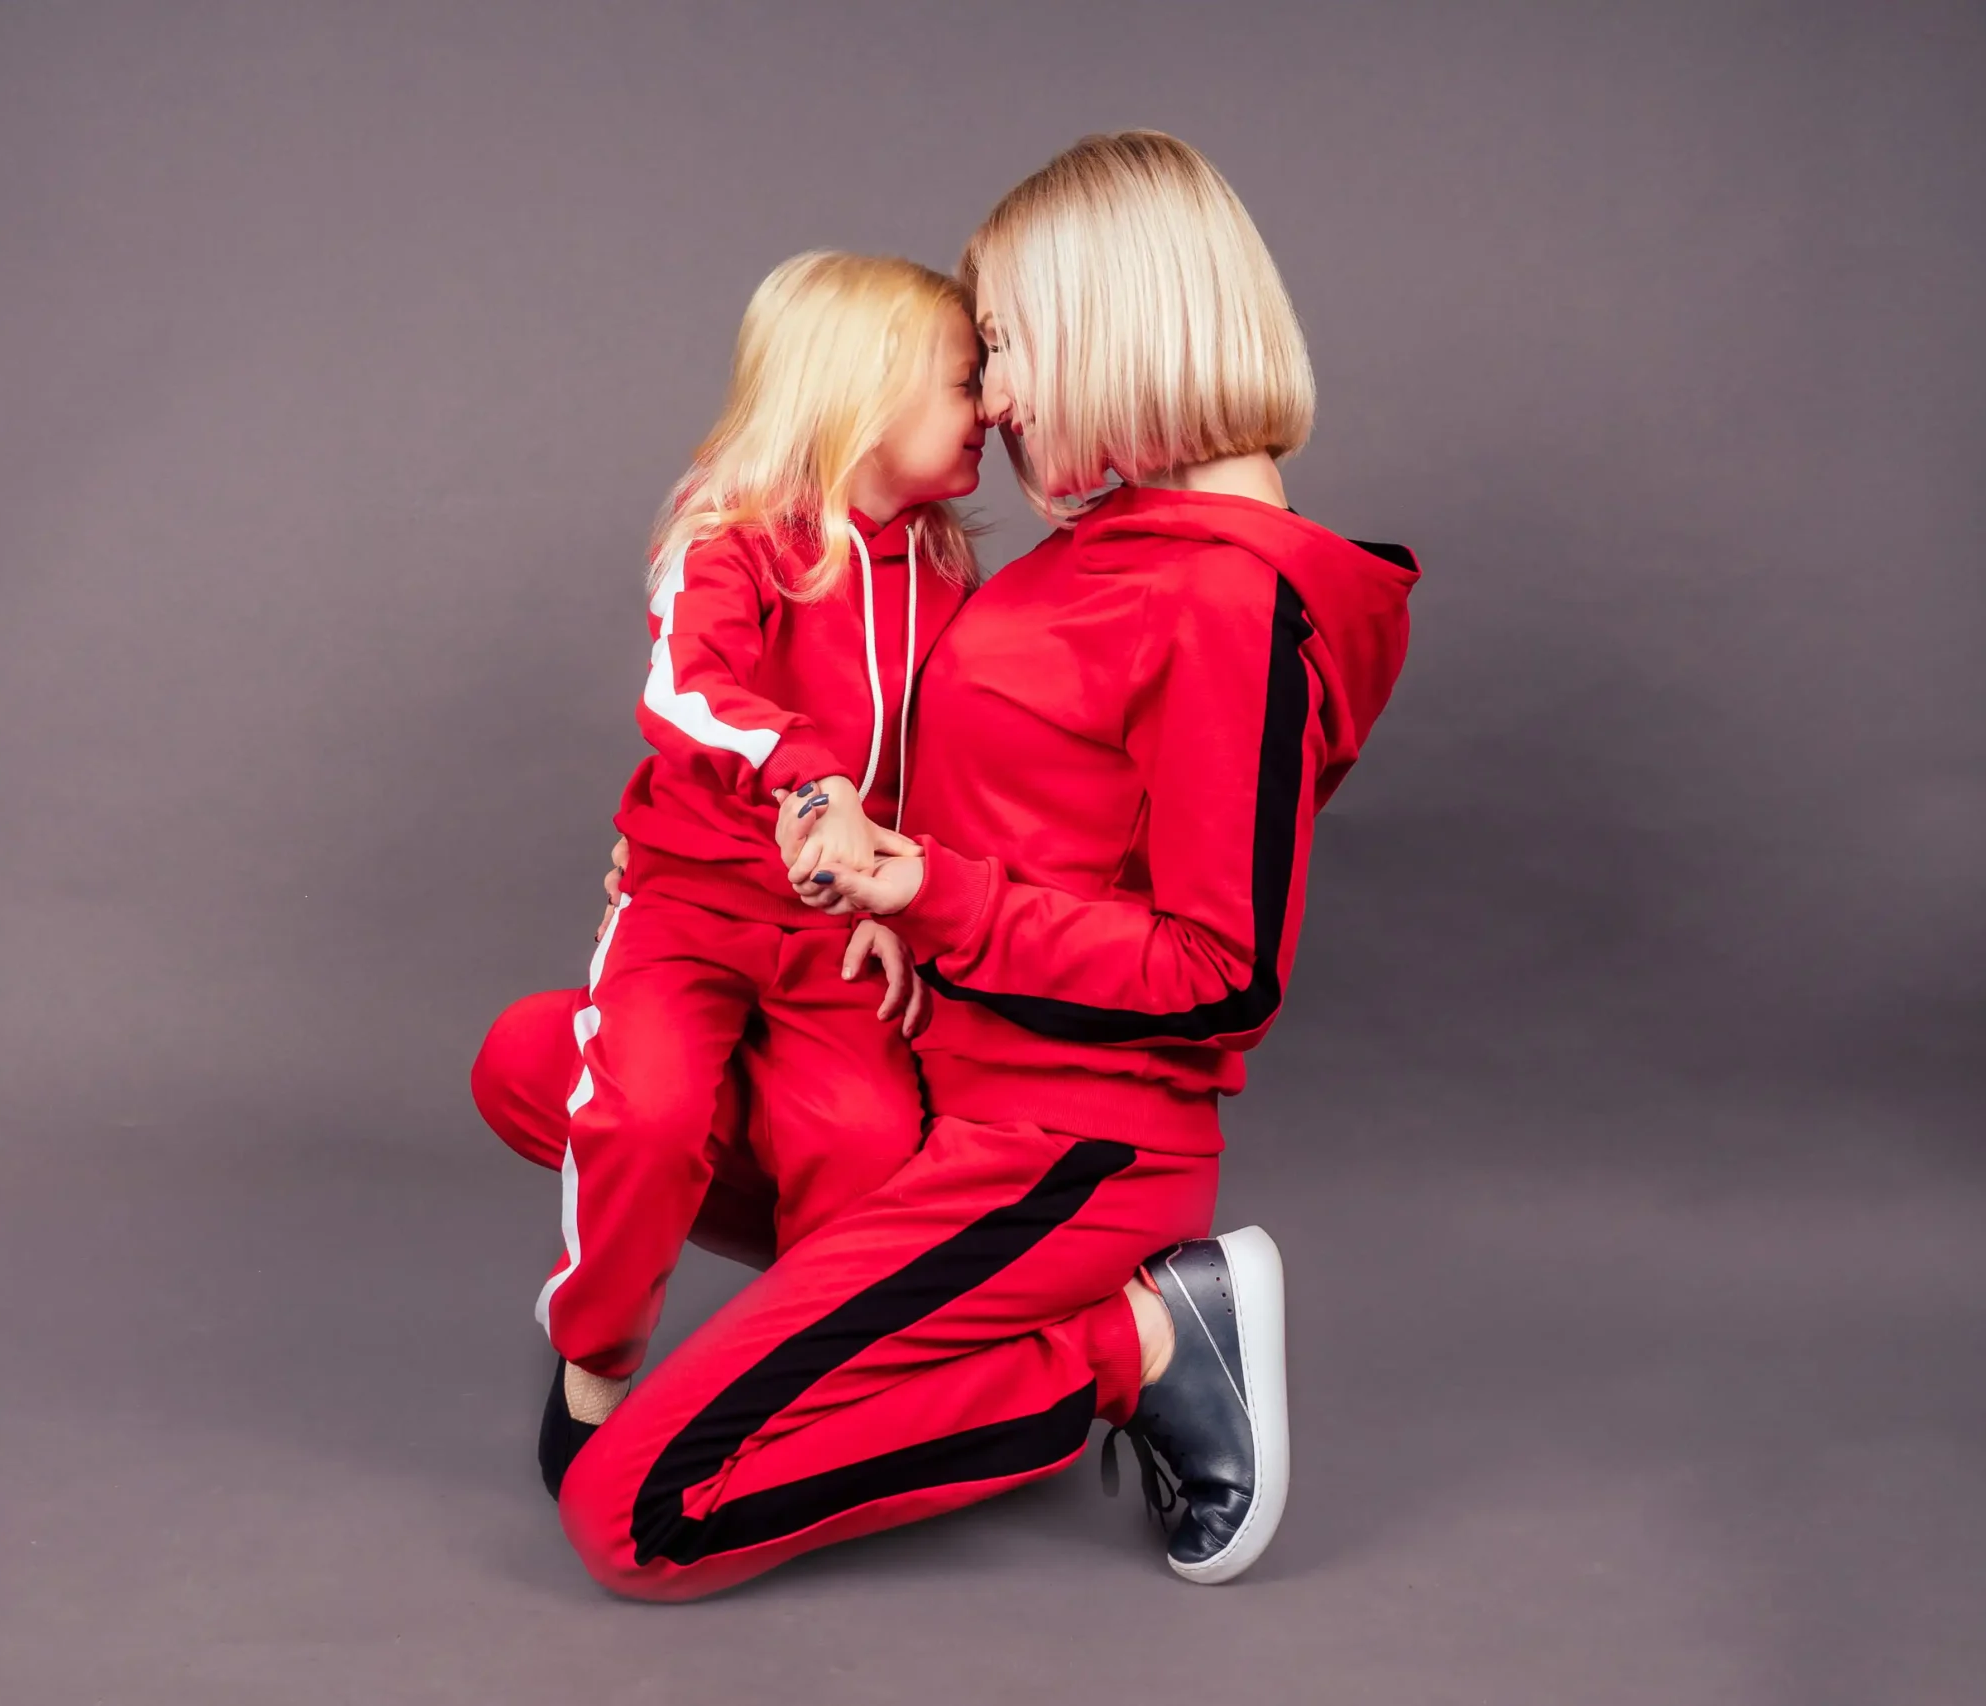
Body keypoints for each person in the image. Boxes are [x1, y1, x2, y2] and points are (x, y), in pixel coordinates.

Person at [479, 131, 1417, 1597]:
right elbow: (890, 728)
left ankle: (1145, 1342)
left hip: (1058, 1144)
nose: (1001, 396)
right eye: (978, 360)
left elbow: (1221, 978)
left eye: (1005, 348)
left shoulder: (1233, 599)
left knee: (635, 1518)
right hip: (920, 1065)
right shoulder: (1107, 538)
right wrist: (717, 843)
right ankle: (913, 1317)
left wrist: (926, 892)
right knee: (546, 1066)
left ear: (1116, 325)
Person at [515, 251, 989, 1497]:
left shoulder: (945, 566)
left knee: (867, 1142)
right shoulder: (732, 535)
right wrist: (810, 777)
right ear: (861, 399)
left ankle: (805, 1391)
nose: (988, 405)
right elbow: (688, 687)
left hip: (836, 928)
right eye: (963, 382)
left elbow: (952, 754)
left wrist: (910, 892)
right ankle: (594, 1366)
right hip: (693, 904)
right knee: (646, 1110)